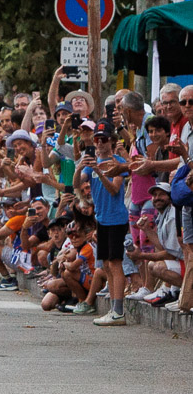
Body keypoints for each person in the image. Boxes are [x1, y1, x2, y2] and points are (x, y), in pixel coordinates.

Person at [74, 120, 129, 326]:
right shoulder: (93, 162)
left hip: (116, 218)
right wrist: (80, 167)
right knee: (105, 263)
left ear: (111, 141)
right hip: (102, 218)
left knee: (115, 263)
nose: (99, 144)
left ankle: (118, 310)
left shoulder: (116, 162)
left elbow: (114, 189)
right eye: (96, 140)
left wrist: (98, 171)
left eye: (103, 140)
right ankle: (114, 310)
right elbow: (76, 185)